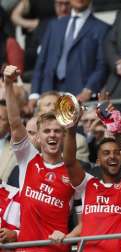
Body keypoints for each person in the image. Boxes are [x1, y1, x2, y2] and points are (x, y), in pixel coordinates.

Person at [3, 65, 77, 251]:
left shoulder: (75, 170)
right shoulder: (28, 158)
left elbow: (91, 216)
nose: (52, 135)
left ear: (64, 135)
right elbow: (14, 121)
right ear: (38, 136)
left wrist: (69, 236)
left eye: (57, 131)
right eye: (46, 131)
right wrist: (9, 86)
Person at [58, 118, 121, 251]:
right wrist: (71, 129)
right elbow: (69, 162)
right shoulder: (88, 184)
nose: (112, 156)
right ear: (98, 161)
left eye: (117, 153)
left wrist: (115, 126)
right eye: (106, 153)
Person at [30, 0, 110, 104]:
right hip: (49, 95)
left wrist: (89, 90)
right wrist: (34, 94)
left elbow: (102, 65)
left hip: (80, 96)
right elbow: (41, 62)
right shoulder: (54, 25)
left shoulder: (102, 28)